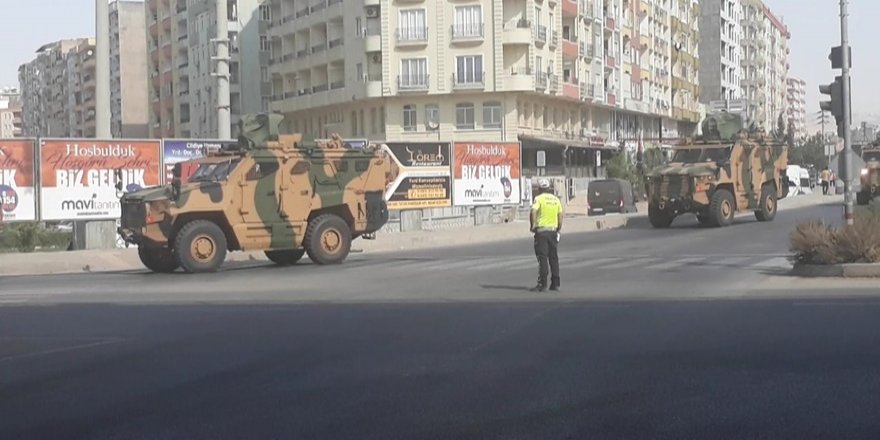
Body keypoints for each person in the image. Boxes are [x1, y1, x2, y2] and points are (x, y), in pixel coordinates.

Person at [530, 178, 563, 292]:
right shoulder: (555, 199)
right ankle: (556, 283)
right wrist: (558, 227)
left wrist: (532, 225)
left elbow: (533, 211)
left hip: (541, 232)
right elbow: (560, 215)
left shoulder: (538, 199)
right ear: (549, 188)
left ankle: (543, 283)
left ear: (539, 189)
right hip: (553, 231)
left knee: (542, 257)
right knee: (553, 257)